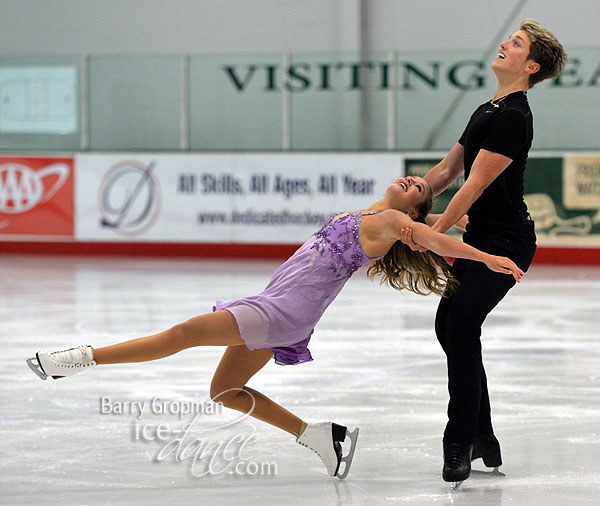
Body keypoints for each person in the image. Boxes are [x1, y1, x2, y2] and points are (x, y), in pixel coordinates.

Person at [27, 176, 523, 480]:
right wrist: (453, 216)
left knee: (181, 335)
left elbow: (438, 241)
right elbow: (440, 219)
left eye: (419, 190)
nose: (414, 181)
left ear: (411, 213)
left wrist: (484, 255)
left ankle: (79, 358)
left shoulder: (392, 221)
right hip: (280, 306)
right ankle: (317, 437)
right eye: (413, 178)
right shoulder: (368, 214)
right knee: (225, 390)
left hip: (283, 312)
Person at [400, 19, 567, 485]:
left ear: (530, 65)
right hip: (479, 239)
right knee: (448, 327)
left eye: (515, 44)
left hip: (508, 242)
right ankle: (482, 436)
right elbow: (449, 169)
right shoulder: (486, 108)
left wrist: (431, 228)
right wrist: (401, 205)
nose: (503, 44)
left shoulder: (514, 116)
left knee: (460, 324)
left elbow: (472, 187)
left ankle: (459, 442)